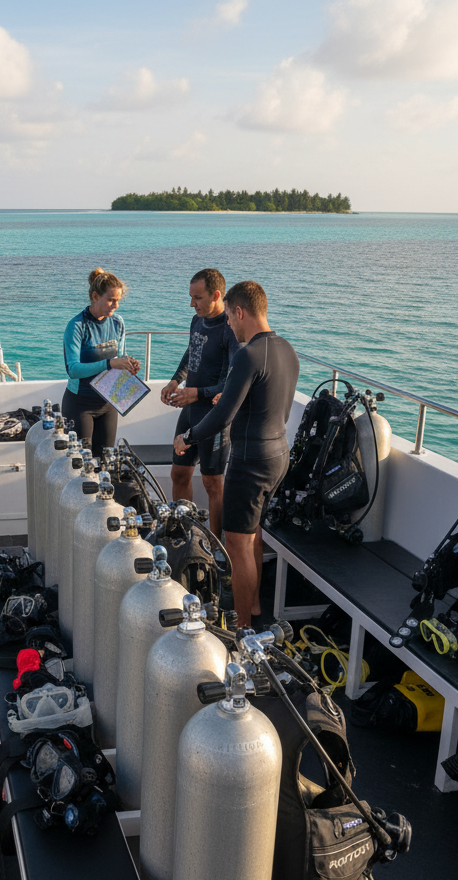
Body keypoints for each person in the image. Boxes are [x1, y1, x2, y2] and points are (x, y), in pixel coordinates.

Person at [172, 281, 299, 629]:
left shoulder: (247, 354)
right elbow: (278, 408)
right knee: (252, 532)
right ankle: (254, 606)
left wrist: (187, 437)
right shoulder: (287, 349)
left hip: (250, 461)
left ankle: (243, 630)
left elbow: (223, 415)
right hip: (278, 455)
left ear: (240, 312)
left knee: (236, 542)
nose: (228, 322)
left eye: (229, 316)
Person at [159, 268, 240, 540]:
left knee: (212, 482)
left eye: (197, 298)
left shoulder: (230, 329)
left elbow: (232, 382)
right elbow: (191, 352)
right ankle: (184, 536)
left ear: (216, 295)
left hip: (214, 414)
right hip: (191, 410)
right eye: (191, 297)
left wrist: (197, 394)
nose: (192, 304)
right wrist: (175, 381)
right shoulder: (198, 320)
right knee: (179, 473)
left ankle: (215, 548)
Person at [61, 268, 140, 457]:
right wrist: (110, 363)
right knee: (80, 464)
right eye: (111, 300)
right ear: (95, 296)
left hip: (108, 403)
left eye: (118, 300)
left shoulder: (117, 323)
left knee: (106, 462)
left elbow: (121, 356)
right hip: (80, 404)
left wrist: (129, 364)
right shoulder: (77, 326)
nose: (116, 305)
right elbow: (73, 369)